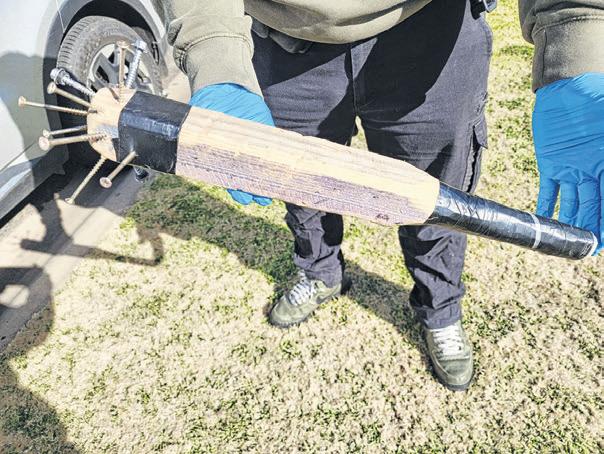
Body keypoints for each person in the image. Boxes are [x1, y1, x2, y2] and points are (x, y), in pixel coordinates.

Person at [152, 0, 604, 391]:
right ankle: (321, 271)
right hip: (284, 45)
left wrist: (576, 30)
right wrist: (214, 53)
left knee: (438, 201)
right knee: (299, 187)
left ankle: (440, 307)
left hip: (432, 37)